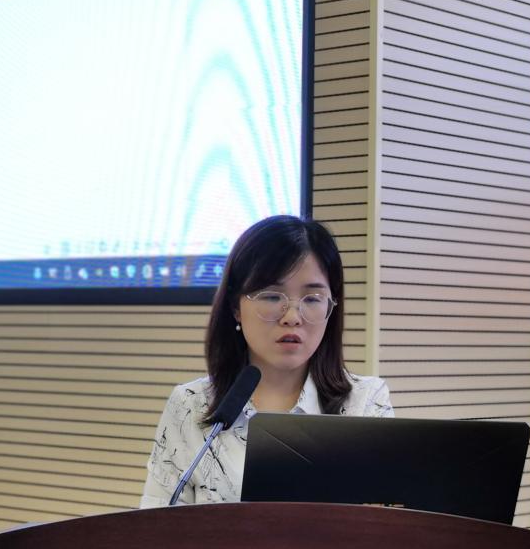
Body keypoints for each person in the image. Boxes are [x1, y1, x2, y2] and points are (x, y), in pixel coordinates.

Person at [140, 215, 393, 507]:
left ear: (331, 308)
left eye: (312, 299)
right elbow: (155, 525)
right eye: (272, 297)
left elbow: (388, 524)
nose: (292, 317)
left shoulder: (365, 403)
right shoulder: (190, 405)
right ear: (236, 306)